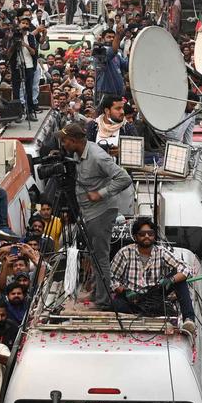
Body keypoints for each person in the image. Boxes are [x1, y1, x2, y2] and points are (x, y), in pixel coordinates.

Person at [57, 123, 134, 311]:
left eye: (65, 140)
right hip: (88, 212)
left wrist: (101, 193)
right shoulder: (78, 152)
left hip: (101, 212)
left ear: (75, 141)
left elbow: (124, 178)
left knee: (101, 258)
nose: (63, 143)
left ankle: (104, 300)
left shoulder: (98, 156)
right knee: (93, 256)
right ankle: (98, 291)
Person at [109, 218, 197, 331]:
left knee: (180, 281)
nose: (146, 236)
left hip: (155, 294)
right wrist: (124, 291)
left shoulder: (161, 252)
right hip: (131, 297)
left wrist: (170, 280)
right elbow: (111, 277)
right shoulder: (125, 252)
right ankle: (140, 310)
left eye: (150, 233)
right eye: (142, 234)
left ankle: (189, 319)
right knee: (114, 305)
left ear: (154, 236)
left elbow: (186, 269)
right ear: (135, 237)